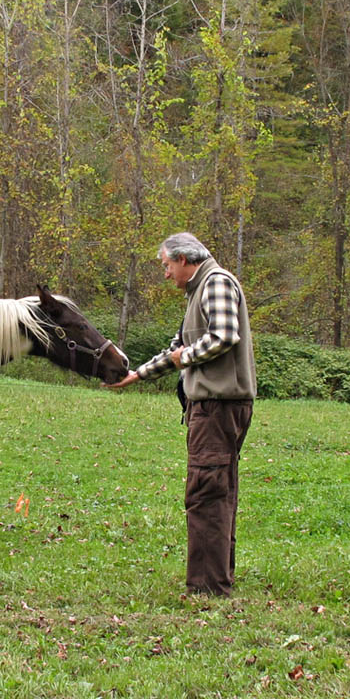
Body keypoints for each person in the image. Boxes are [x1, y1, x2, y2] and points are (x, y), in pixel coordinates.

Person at [112, 232, 256, 596]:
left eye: (166, 265)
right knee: (217, 490)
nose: (165, 274)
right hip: (213, 406)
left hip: (217, 407)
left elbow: (224, 336)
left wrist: (185, 359)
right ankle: (217, 577)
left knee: (206, 491)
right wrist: (136, 376)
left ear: (184, 260)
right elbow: (177, 348)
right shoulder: (200, 290)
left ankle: (208, 587)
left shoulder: (216, 282)